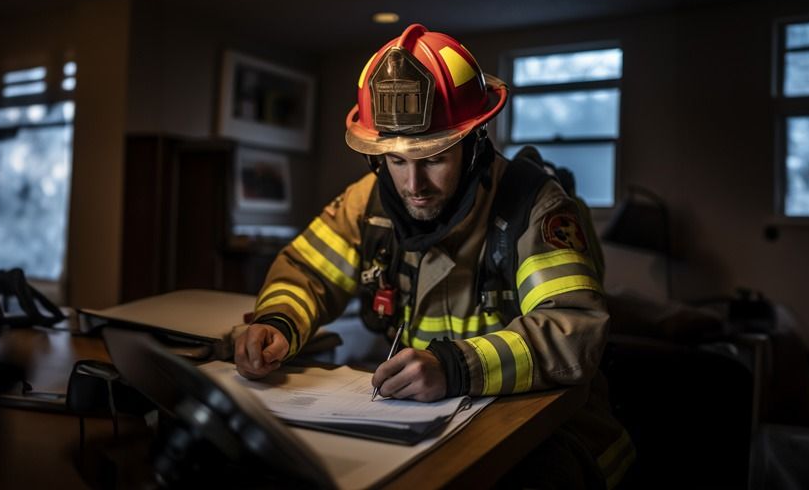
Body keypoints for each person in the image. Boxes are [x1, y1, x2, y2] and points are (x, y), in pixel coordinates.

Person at [234, 24, 633, 488]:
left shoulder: (534, 206)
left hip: (549, 435)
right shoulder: (368, 202)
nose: (412, 186)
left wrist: (457, 367)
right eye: (396, 161)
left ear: (475, 142)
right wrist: (278, 322)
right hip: (424, 425)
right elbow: (305, 271)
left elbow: (572, 328)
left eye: (434, 158)